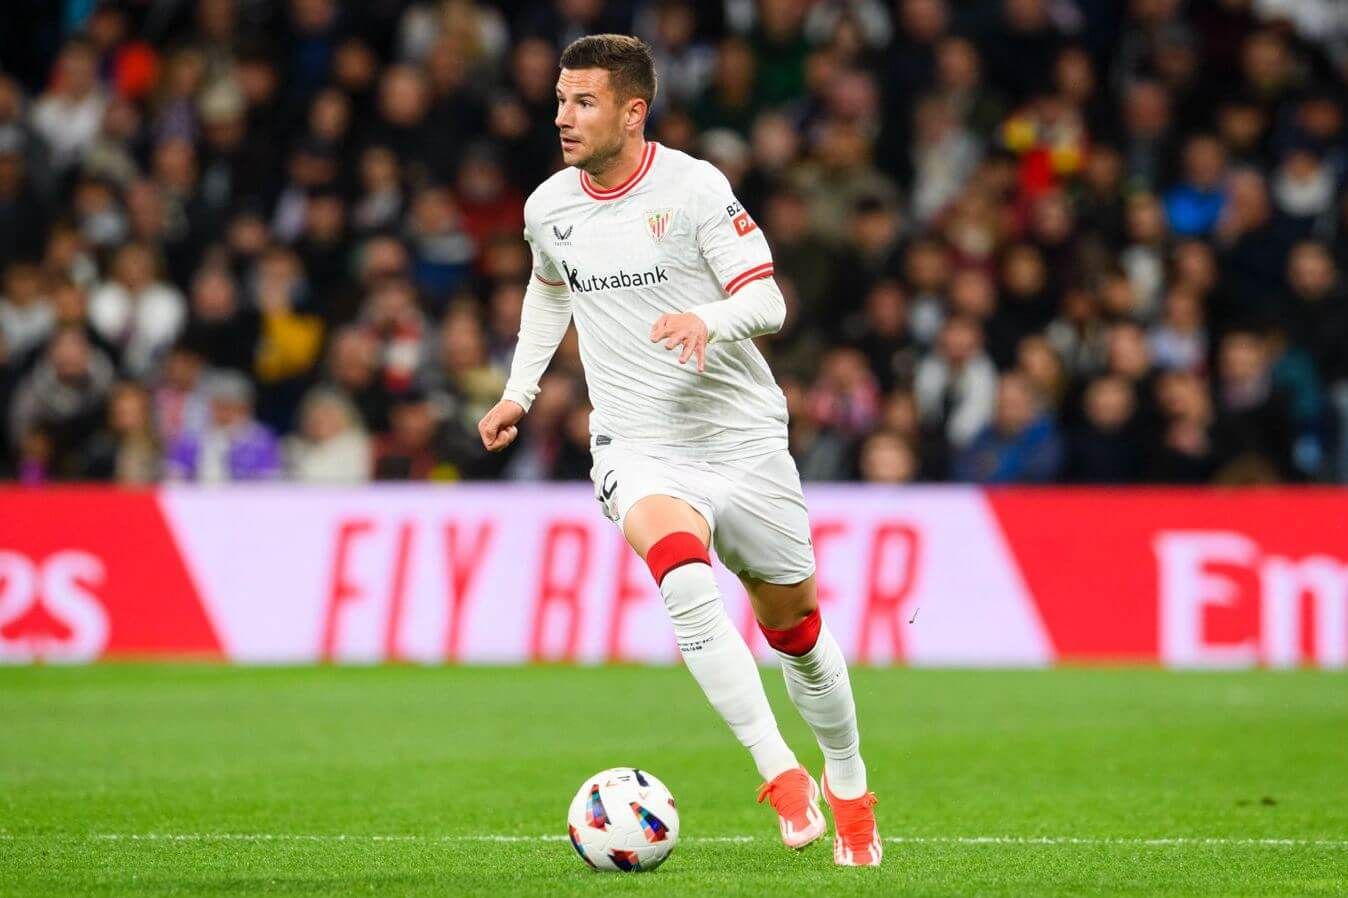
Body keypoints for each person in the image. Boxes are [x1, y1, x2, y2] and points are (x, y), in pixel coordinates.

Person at [475, 35, 880, 867]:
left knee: (796, 632)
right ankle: (779, 773)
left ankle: (847, 781)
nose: (564, 117)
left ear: (633, 111)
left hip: (740, 437)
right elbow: (549, 290)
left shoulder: (694, 188)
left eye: (584, 102)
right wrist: (520, 391)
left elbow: (767, 302)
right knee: (682, 577)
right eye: (560, 101)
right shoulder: (549, 207)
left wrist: (708, 319)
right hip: (637, 443)